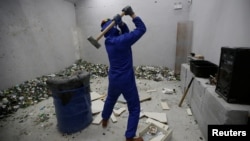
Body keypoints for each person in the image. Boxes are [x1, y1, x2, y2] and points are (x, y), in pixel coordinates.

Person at [100, 6, 146, 141]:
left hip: (114, 78)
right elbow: (142, 29)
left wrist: (121, 23)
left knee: (110, 99)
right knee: (134, 107)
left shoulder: (108, 41)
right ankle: (130, 137)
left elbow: (124, 33)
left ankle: (104, 118)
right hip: (126, 80)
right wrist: (132, 14)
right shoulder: (123, 40)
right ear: (114, 28)